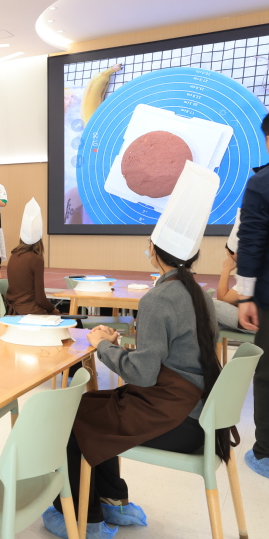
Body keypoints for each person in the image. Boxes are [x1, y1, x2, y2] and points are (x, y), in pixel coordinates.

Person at [44, 162, 228, 539]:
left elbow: (143, 374)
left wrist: (101, 346)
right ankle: (113, 500)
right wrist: (119, 345)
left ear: (155, 251)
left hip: (177, 418)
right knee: (95, 406)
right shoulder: (201, 296)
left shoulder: (158, 299)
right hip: (198, 414)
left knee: (73, 417)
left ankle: (84, 518)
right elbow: (170, 357)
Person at [235, 112, 269, 479]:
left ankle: (266, 454)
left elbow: (252, 239)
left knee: (267, 373)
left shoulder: (262, 183)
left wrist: (246, 297)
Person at [5, 198, 60, 316]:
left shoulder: (14, 255)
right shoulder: (36, 259)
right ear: (41, 239)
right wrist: (53, 310)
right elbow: (40, 298)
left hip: (12, 310)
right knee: (72, 321)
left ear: (20, 237)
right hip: (30, 313)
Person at [213, 210, 254, 335]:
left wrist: (225, 270)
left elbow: (223, 299)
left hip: (258, 323)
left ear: (235, 254)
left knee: (211, 305)